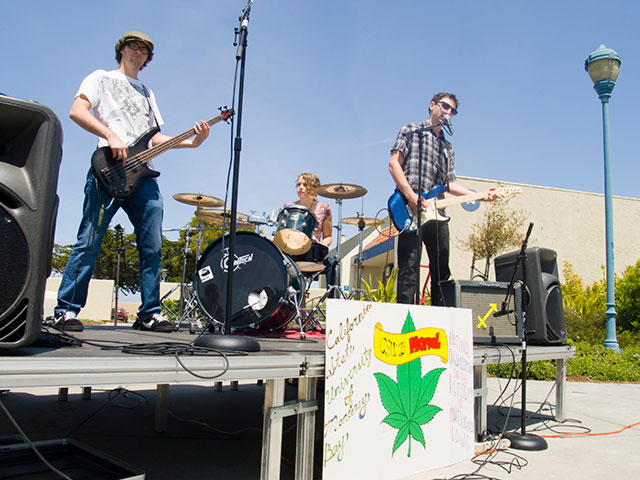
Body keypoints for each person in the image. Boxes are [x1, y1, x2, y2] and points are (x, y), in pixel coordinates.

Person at [52, 31, 210, 332]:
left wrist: (192, 142)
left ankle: (149, 313)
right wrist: (111, 135)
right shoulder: (100, 78)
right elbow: (77, 110)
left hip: (143, 175)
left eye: (145, 50)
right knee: (90, 239)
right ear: (121, 50)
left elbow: (154, 138)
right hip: (108, 169)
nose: (138, 52)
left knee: (152, 247)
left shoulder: (148, 93)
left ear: (148, 59)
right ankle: (66, 310)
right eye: (133, 47)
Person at [389, 92, 498, 305]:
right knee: (409, 267)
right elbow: (394, 164)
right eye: (446, 107)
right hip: (411, 208)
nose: (449, 112)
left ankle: (439, 316)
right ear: (432, 105)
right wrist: (411, 196)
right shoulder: (411, 130)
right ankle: (406, 318)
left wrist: (481, 196)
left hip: (437, 213)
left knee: (441, 269)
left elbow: (449, 184)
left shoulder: (447, 148)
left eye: (453, 111)